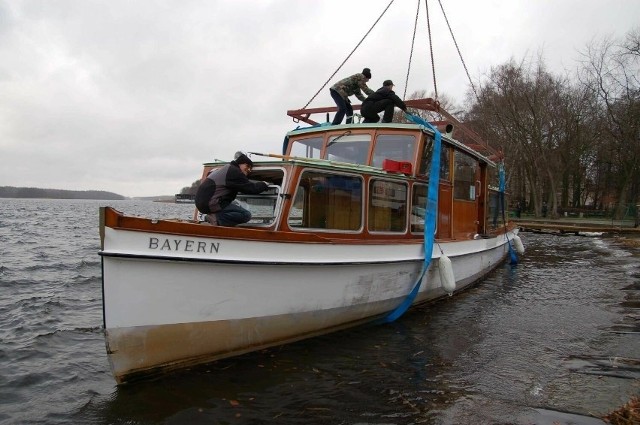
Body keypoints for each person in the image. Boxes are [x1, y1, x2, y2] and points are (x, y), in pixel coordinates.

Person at [195, 153, 269, 226]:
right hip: (211, 203)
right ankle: (215, 219)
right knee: (246, 215)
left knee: (236, 206)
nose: (248, 170)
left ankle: (211, 218)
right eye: (247, 166)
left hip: (203, 203)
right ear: (241, 163)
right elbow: (251, 188)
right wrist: (264, 184)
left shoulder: (226, 169)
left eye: (250, 169)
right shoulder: (234, 171)